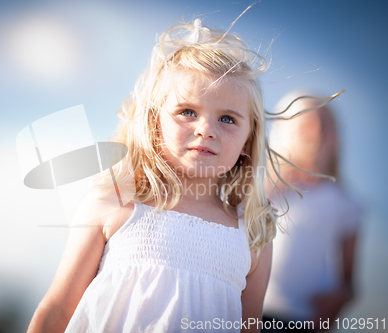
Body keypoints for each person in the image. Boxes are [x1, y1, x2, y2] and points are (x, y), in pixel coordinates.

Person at [26, 18, 335, 333]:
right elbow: (58, 308)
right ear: (154, 121)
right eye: (187, 112)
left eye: (227, 118)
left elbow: (248, 328)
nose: (206, 130)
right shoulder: (115, 200)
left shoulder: (252, 234)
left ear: (249, 139)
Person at [262, 95, 361, 332]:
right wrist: (272, 183)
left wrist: (327, 315)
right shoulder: (267, 189)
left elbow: (347, 283)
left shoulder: (345, 203)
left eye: (325, 125)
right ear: (285, 133)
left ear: (336, 138)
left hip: (303, 318)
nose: (316, 132)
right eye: (306, 125)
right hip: (251, 308)